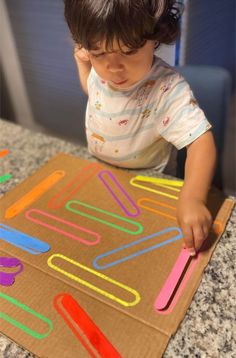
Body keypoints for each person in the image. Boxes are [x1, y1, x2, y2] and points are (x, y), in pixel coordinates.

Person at [64, 0, 217, 256]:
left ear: (154, 36)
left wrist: (193, 197)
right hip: (102, 173)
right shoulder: (99, 72)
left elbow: (201, 142)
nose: (113, 67)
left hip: (148, 181)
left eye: (128, 50)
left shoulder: (167, 89)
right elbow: (94, 93)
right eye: (99, 52)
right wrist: (84, 65)